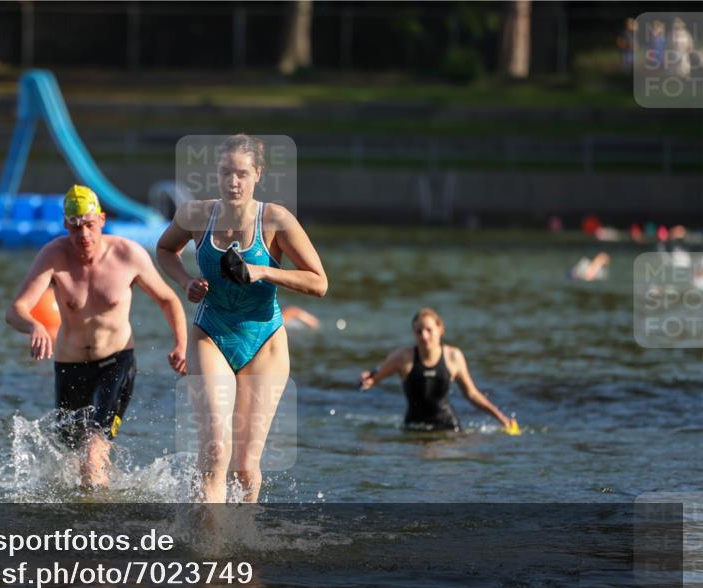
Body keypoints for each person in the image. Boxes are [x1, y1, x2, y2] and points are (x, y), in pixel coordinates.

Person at [156, 134, 328, 503]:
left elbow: (319, 283)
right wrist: (186, 281)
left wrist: (264, 272)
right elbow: (165, 249)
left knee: (245, 466)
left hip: (264, 340)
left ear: (257, 175)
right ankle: (212, 548)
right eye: (225, 173)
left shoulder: (276, 220)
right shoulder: (195, 215)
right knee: (216, 450)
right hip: (210, 334)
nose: (233, 182)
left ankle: (243, 541)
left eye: (242, 174)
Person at [6, 185, 187, 488]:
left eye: (90, 225)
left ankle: (100, 528)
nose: (84, 235)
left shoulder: (128, 254)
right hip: (70, 367)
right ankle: (111, 496)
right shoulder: (54, 256)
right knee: (71, 465)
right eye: (75, 227)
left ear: (102, 219)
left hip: (116, 364)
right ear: (66, 225)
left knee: (92, 455)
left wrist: (181, 344)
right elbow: (16, 309)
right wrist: (34, 326)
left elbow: (168, 299)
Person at [358, 308, 515, 433]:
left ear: (440, 329)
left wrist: (502, 419)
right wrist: (366, 380)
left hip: (448, 428)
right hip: (414, 429)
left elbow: (472, 394)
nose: (424, 336)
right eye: (419, 332)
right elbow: (373, 378)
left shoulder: (453, 357)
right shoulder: (402, 357)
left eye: (428, 330)